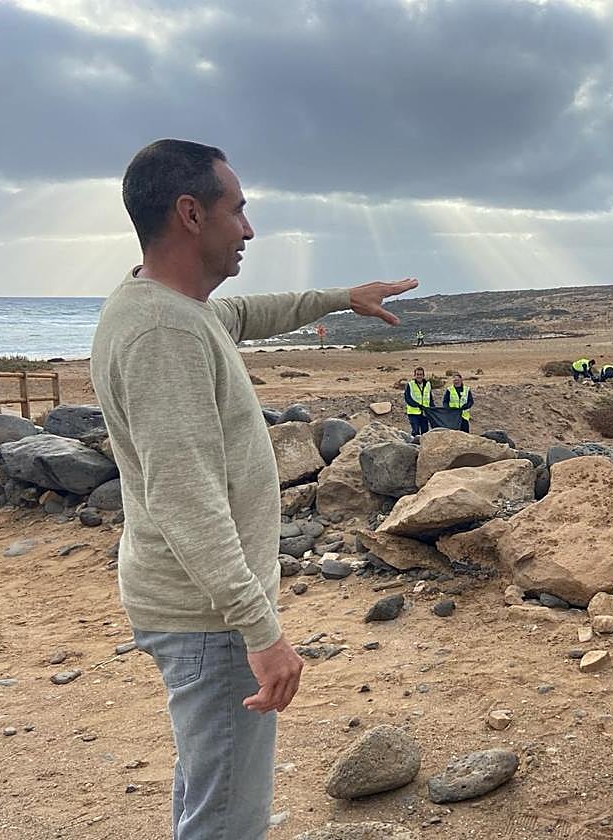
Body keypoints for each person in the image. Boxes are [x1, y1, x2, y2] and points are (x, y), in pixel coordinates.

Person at [89, 139, 419, 840]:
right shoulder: (161, 333)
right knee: (229, 817)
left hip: (195, 606)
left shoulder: (178, 309)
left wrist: (339, 299)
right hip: (208, 618)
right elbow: (185, 499)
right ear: (190, 213)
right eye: (236, 209)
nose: (249, 228)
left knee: (210, 791)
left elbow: (246, 315)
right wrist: (260, 631)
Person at [404, 366, 433, 435]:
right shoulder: (410, 385)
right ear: (414, 375)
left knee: (425, 432)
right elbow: (407, 398)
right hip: (413, 413)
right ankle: (413, 445)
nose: (419, 376)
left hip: (425, 412)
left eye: (421, 374)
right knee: (415, 431)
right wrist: (418, 405)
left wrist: (432, 409)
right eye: (417, 374)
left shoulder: (428, 384)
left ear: (423, 375)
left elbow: (430, 398)